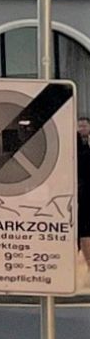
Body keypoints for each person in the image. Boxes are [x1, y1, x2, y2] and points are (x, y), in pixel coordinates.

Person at [77, 116, 90, 274]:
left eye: (84, 125)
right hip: (80, 188)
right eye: (79, 125)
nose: (82, 128)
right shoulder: (74, 144)